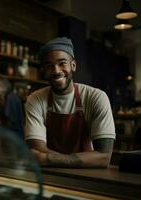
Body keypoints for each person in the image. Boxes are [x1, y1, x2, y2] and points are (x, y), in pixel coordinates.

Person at [24, 37, 115, 168]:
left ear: (73, 65)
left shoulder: (96, 97)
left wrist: (49, 159)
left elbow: (104, 157)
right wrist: (82, 160)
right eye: (49, 66)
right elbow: (37, 152)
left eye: (62, 63)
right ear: (43, 71)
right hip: (51, 175)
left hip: (87, 175)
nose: (56, 71)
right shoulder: (35, 99)